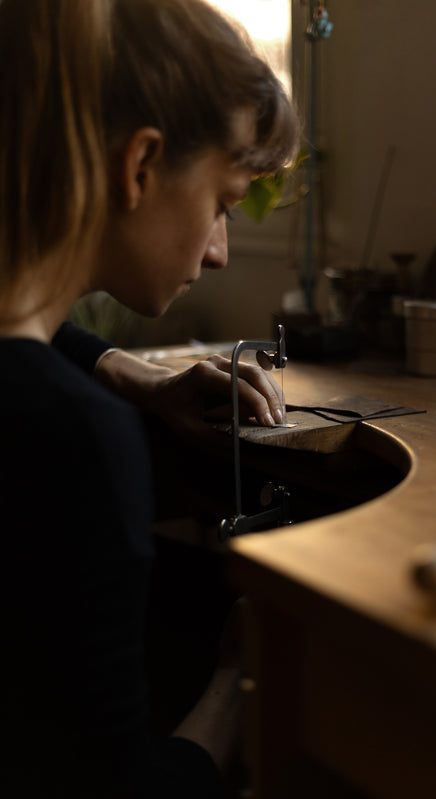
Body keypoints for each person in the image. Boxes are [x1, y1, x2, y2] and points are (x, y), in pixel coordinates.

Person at [0, 0, 299, 796]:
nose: (220, 251)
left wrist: (122, 371)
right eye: (224, 204)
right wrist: (240, 677)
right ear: (139, 166)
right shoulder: (69, 438)